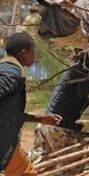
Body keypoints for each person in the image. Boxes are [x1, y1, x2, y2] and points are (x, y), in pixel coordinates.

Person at [0, 32, 62, 175]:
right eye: (32, 51)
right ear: (23, 53)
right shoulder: (12, 73)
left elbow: (9, 112)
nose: (34, 55)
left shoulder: (6, 69)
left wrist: (37, 118)